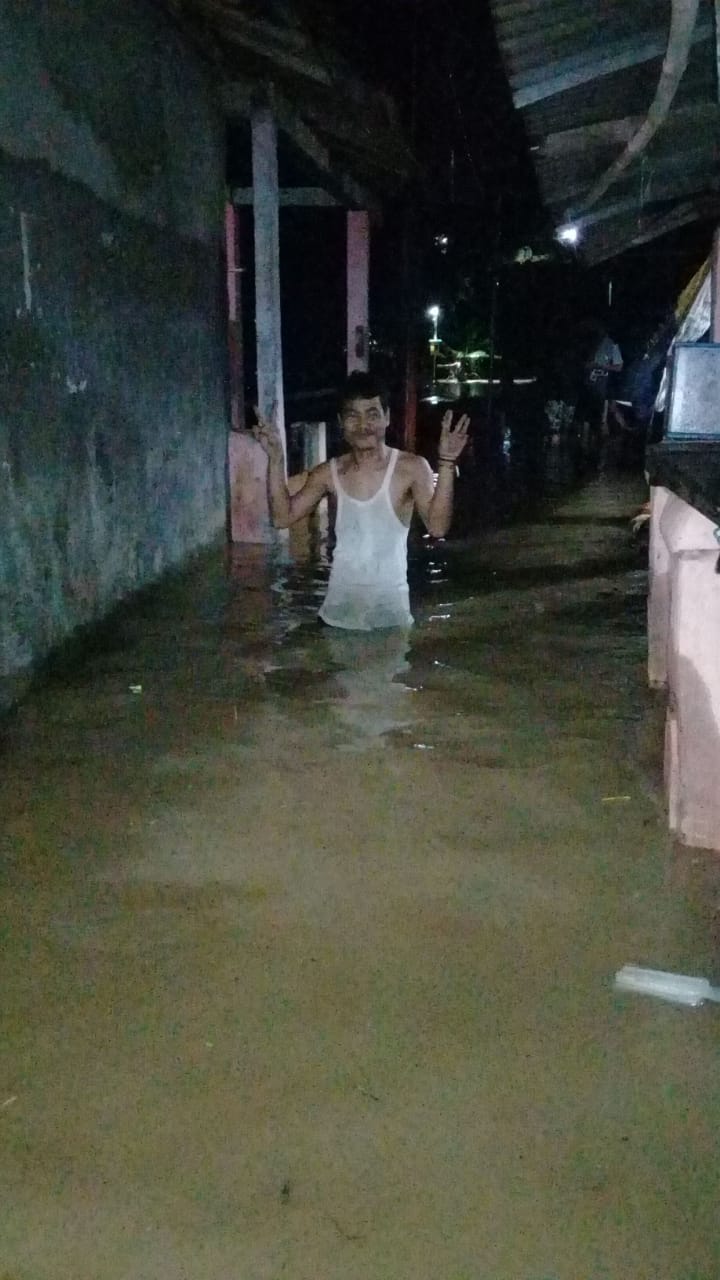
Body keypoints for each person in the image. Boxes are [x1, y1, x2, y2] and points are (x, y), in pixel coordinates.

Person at [253, 371, 469, 630]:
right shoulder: (328, 473)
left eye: (373, 414)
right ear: (341, 422)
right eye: (353, 415)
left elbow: (438, 527)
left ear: (387, 418)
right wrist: (276, 460)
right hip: (336, 618)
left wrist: (446, 463)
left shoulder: (411, 468)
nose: (363, 424)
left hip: (389, 621)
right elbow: (282, 517)